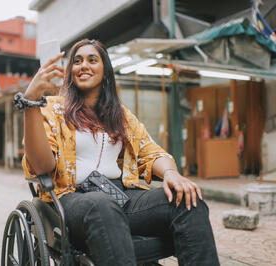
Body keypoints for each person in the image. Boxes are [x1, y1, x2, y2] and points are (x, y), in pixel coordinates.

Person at [20, 39, 220, 266]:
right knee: (100, 204)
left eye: (92, 60)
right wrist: (31, 102)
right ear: (70, 72)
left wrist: (171, 174)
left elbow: (150, 151)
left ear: (105, 71)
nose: (83, 65)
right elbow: (41, 166)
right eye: (77, 61)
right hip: (73, 198)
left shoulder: (121, 116)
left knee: (187, 201)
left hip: (121, 196)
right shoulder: (52, 109)